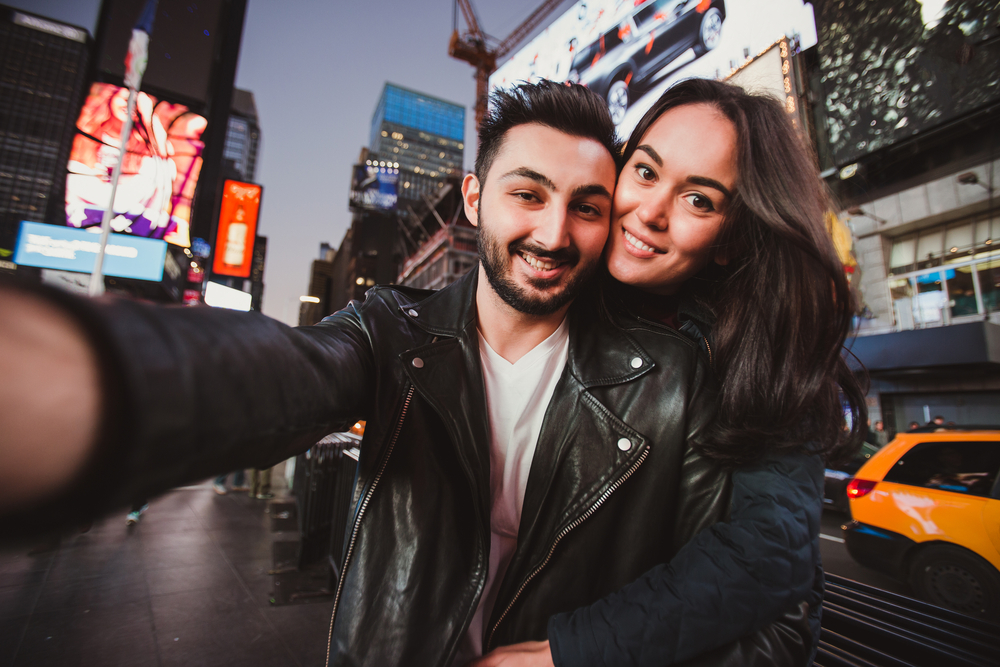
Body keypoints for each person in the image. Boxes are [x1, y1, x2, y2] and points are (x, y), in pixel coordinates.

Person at [0, 81, 811, 666]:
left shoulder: (688, 366)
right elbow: (291, 367)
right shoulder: (393, 327)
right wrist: (93, 379)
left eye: (585, 206)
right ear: (473, 197)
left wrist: (571, 653)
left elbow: (762, 569)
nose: (555, 232)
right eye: (527, 193)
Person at [585, 77, 867, 664]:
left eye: (699, 200)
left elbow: (770, 550)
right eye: (645, 171)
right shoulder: (558, 287)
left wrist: (572, 649)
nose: (650, 212)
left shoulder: (760, 353)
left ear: (729, 241)